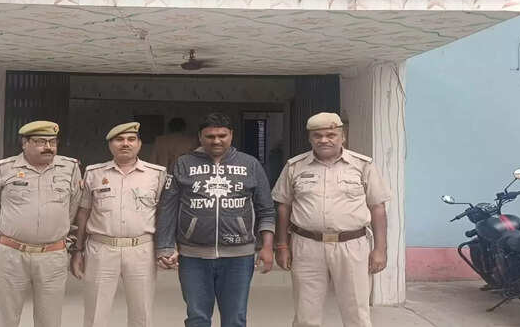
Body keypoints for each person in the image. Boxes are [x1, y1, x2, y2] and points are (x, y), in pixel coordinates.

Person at [155, 112, 276, 327]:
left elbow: (266, 209)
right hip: (193, 257)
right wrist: (165, 246)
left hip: (239, 257)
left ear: (231, 135)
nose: (216, 141)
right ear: (200, 137)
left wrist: (267, 247)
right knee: (197, 318)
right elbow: (168, 208)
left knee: (235, 319)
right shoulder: (183, 164)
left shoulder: (250, 164)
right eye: (210, 136)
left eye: (222, 135)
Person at [271, 112, 390, 327]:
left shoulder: (363, 165)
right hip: (306, 246)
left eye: (330, 135)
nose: (324, 140)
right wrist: (282, 246)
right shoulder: (295, 166)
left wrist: (380, 249)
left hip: (352, 245)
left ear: (342, 136)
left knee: (357, 313)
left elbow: (378, 208)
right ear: (310, 138)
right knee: (306, 314)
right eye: (317, 135)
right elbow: (283, 207)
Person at [0, 120, 82, 327]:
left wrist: (54, 228)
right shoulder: (3, 169)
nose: (48, 147)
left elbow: (72, 207)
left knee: (50, 319)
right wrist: (13, 230)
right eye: (41, 141)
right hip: (11, 254)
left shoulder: (70, 168)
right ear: (25, 143)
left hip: (52, 255)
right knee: (6, 317)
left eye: (53, 142)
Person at [71, 122, 167, 327]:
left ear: (139, 144)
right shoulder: (94, 173)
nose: (125, 144)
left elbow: (162, 215)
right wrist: (77, 250)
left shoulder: (157, 174)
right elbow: (84, 213)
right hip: (101, 249)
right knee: (95, 313)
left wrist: (165, 248)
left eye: (131, 139)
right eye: (119, 139)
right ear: (110, 145)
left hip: (141, 249)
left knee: (142, 313)